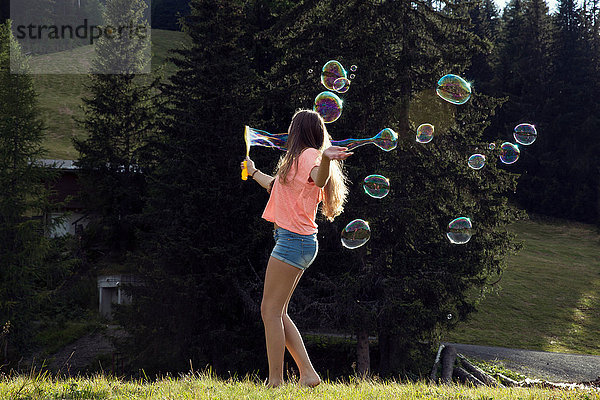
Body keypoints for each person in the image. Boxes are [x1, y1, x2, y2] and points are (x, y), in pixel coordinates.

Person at [241, 109, 352, 388]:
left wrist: (325, 158)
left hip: (293, 241)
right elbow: (276, 187)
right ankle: (308, 374)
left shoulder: (308, 157)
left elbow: (320, 178)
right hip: (298, 241)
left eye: (292, 127)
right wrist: (253, 172)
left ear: (298, 130)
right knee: (278, 311)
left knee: (269, 310)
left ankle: (275, 381)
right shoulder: (297, 160)